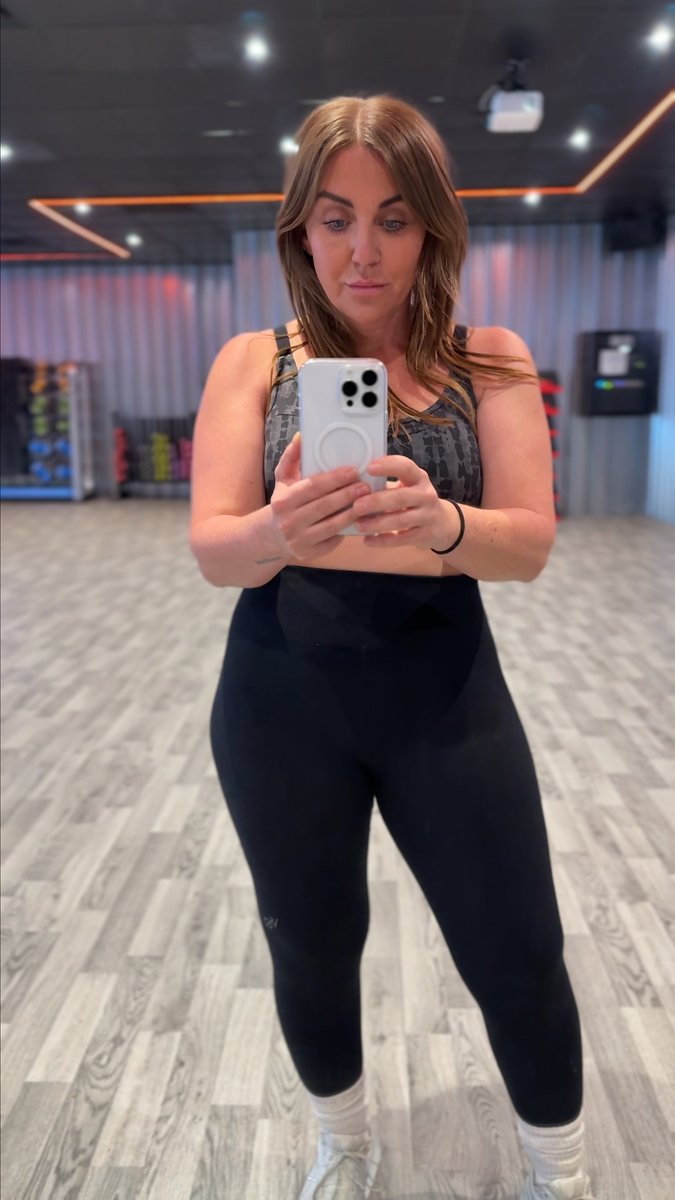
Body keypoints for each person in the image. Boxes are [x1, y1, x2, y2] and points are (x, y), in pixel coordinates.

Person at [190, 94, 595, 1200]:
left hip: (447, 700)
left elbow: (528, 546)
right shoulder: (253, 363)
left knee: (516, 947)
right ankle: (346, 1143)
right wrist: (279, 532)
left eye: (393, 219)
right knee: (310, 942)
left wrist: (442, 523)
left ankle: (560, 1175)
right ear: (300, 229)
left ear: (431, 230)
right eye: (335, 219)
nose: (362, 250)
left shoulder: (490, 360)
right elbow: (216, 552)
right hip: (280, 703)